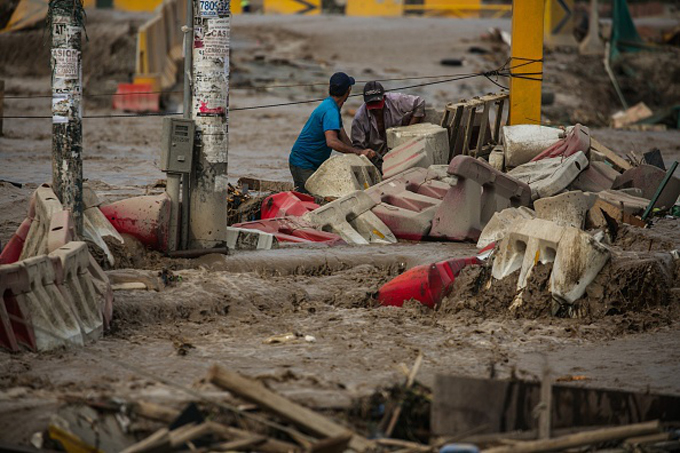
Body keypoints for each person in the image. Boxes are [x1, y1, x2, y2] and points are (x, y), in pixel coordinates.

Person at [289, 72, 376, 193]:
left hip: (312, 164)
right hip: (303, 163)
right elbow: (332, 142)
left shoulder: (332, 106)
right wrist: (359, 151)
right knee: (314, 198)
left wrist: (361, 156)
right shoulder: (331, 111)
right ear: (348, 90)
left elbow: (343, 137)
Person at [351, 81, 426, 160]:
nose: (376, 109)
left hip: (399, 145)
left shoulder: (396, 100)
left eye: (378, 104)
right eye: (372, 105)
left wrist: (409, 131)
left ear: (384, 98)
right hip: (376, 155)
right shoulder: (359, 118)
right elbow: (357, 147)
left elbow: (420, 103)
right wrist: (365, 153)